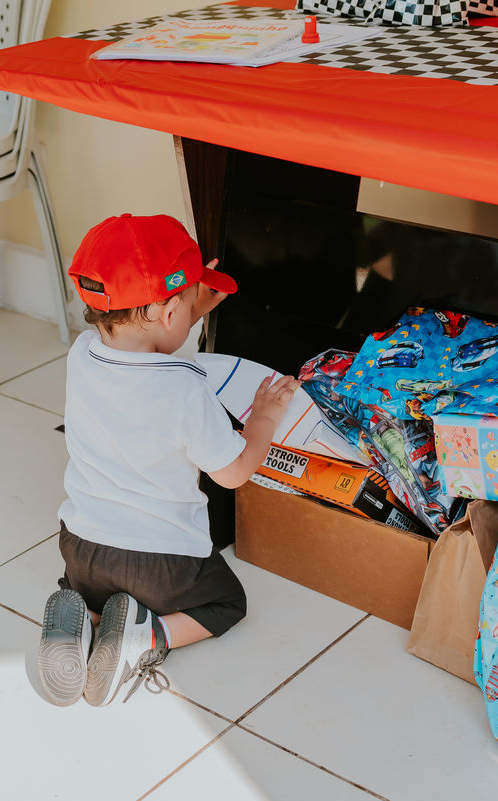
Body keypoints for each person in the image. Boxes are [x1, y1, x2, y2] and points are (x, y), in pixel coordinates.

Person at [38, 214, 301, 708]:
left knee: (92, 586)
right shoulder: (185, 387)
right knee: (228, 603)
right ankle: (147, 635)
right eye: (186, 304)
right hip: (160, 564)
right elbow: (233, 472)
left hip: (81, 549)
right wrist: (262, 421)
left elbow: (142, 347)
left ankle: (87, 619)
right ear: (165, 312)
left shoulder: (82, 353)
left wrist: (186, 309)